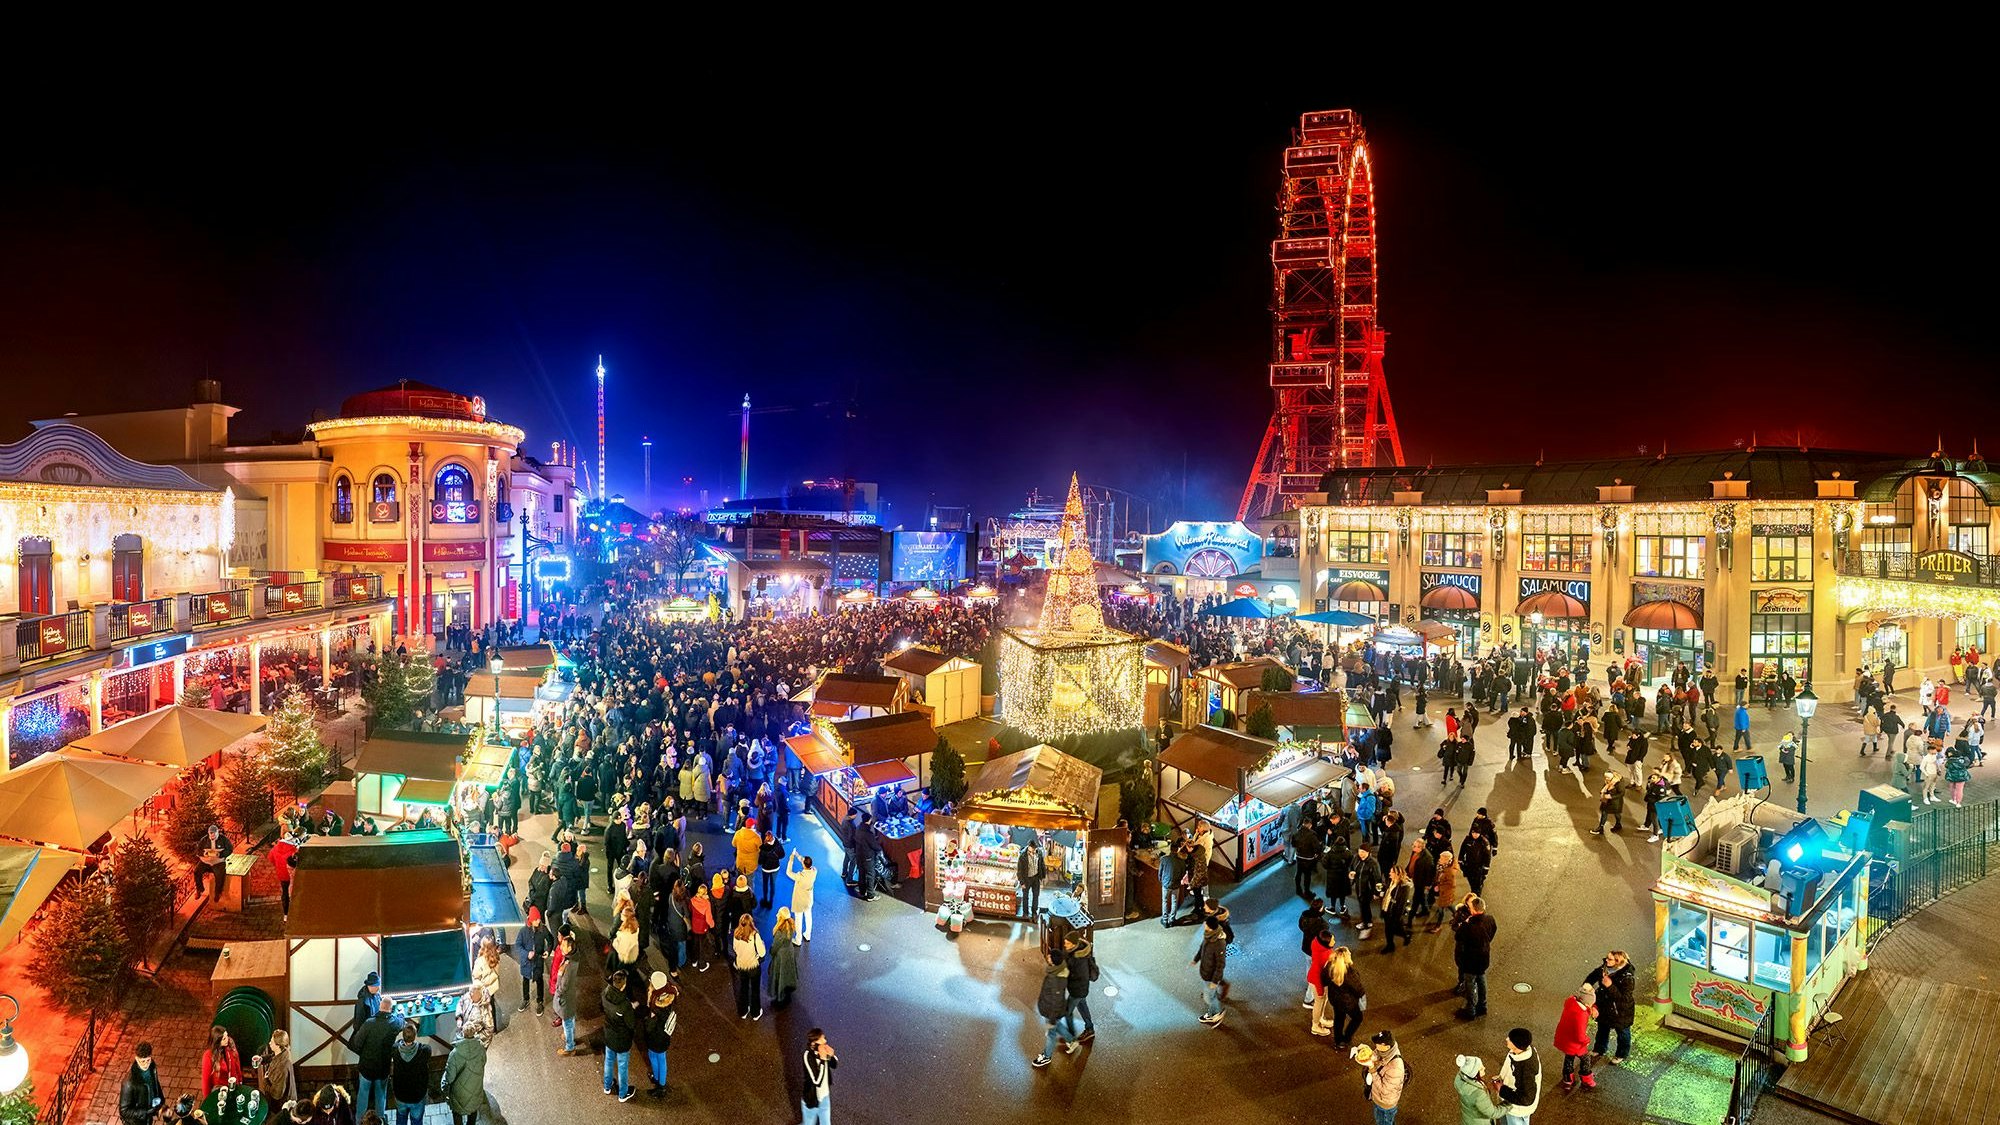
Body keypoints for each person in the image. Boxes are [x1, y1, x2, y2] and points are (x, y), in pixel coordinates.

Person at [1586, 950, 1636, 1063]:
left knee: (1623, 1034)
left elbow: (1625, 999)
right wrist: (1586, 987)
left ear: (1617, 962)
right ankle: (1599, 1049)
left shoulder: (1627, 978)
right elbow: (1592, 976)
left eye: (1609, 959)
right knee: (1602, 1029)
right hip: (1605, 1006)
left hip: (1620, 1012)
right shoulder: (1605, 968)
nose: (1606, 960)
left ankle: (1621, 1054)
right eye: (1607, 958)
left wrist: (1610, 986)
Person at [1031, 950, 1079, 1068]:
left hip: (1051, 1011)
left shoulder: (1055, 979)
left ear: (1054, 960)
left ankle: (1046, 1057)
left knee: (1051, 1033)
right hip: (1051, 1010)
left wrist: (1051, 1019)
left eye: (1050, 956)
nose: (1048, 957)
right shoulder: (1057, 971)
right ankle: (1071, 1041)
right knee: (1057, 1026)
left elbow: (1056, 1001)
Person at [351, 1001, 398, 1116]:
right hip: (382, 1068)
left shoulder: (369, 1023)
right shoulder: (394, 1023)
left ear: (379, 1007)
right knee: (381, 1095)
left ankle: (360, 1121)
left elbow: (356, 1042)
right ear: (390, 1009)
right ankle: (380, 1120)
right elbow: (402, 1021)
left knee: (363, 1095)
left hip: (366, 1066)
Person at [1453, 894, 1496, 1018]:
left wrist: (1465, 924)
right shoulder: (1490, 919)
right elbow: (1492, 932)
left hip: (1470, 959)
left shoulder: (1469, 926)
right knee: (1481, 979)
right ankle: (1482, 1006)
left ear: (1474, 910)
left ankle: (1470, 1010)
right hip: (1484, 956)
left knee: (1470, 983)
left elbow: (1458, 937)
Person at [601, 969, 638, 1101]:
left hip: (609, 1035)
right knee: (622, 1067)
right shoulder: (624, 1005)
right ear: (623, 985)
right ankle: (623, 1093)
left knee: (609, 1061)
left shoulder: (605, 994)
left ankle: (607, 1086)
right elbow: (631, 1024)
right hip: (622, 1040)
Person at [1358, 1028, 1408, 1124]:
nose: (1375, 1047)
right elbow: (1377, 1053)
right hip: (1379, 1098)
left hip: (1384, 1104)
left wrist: (1372, 1069)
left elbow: (1384, 1090)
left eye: (1378, 1044)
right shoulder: (1388, 1050)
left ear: (1386, 1046)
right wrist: (1367, 1050)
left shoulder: (1395, 1068)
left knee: (1383, 1122)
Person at [440, 1027, 488, 1125]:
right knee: (473, 1110)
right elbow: (483, 1062)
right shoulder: (481, 1048)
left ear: (463, 1034)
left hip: (459, 1093)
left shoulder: (454, 1054)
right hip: (475, 1087)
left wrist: (443, 1084)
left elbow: (450, 1077)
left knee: (457, 1113)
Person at [1555, 983, 1598, 1090]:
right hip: (1575, 1043)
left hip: (1564, 1038)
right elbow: (1580, 1036)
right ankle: (1586, 1078)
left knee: (1569, 1058)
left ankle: (1568, 1079)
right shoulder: (1581, 1015)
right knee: (1585, 1059)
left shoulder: (1571, 1002)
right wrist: (1586, 1040)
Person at [1322, 945, 1366, 1047]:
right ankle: (1347, 1037)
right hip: (1349, 1002)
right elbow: (1358, 988)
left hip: (1335, 1000)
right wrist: (1362, 996)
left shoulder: (1329, 967)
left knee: (1339, 1018)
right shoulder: (1350, 973)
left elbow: (1323, 981)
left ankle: (1338, 1041)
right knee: (1357, 1018)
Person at [1497, 1028, 1543, 1124]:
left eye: (1510, 1039)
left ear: (1516, 1045)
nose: (1506, 1039)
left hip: (1517, 1110)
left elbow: (1527, 1099)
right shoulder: (1521, 1051)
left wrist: (1502, 1090)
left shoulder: (1525, 1069)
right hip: (1510, 1103)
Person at [642, 974, 677, 1098]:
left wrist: (647, 1019)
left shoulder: (655, 1007)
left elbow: (649, 1027)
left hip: (655, 1038)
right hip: (665, 1036)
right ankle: (660, 1082)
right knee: (662, 1058)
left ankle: (659, 1084)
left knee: (654, 1056)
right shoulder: (671, 995)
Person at [388, 1025, 431, 1125]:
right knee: (416, 1121)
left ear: (402, 1036)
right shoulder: (423, 1051)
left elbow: (396, 1044)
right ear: (415, 1035)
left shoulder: (395, 1049)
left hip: (400, 1094)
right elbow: (427, 1048)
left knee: (401, 1119)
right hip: (417, 1095)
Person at [1063, 930, 1098, 1044]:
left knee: (1067, 1012)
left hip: (1077, 990)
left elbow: (1079, 976)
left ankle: (1070, 1036)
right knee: (1083, 1007)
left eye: (1067, 943)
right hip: (1080, 990)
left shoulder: (1078, 959)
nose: (1065, 945)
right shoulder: (1076, 953)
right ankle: (1089, 1028)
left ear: (1074, 944)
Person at [731, 913, 768, 1019]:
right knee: (755, 990)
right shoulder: (755, 935)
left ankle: (743, 1011)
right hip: (753, 967)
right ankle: (755, 1012)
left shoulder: (736, 934)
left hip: (742, 966)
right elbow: (762, 953)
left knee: (743, 988)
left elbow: (735, 948)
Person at [513, 907, 550, 1014]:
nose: (539, 921)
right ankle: (526, 999)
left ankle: (540, 1001)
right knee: (525, 980)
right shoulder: (523, 931)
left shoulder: (543, 929)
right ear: (531, 920)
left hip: (538, 962)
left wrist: (548, 950)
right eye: (536, 919)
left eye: (539, 919)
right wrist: (526, 954)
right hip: (526, 963)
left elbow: (550, 940)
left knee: (539, 980)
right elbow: (518, 945)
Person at [119, 1043, 165, 1125]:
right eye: (142, 1061)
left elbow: (155, 1083)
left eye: (148, 1060)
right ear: (136, 1059)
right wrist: (146, 1112)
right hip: (137, 1122)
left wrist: (161, 1101)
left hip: (148, 1116)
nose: (146, 1064)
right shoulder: (129, 1083)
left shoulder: (152, 1067)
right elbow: (124, 1111)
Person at [1195, 914, 1228, 1026]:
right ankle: (1215, 1012)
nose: (1204, 924)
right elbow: (1202, 948)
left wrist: (1215, 981)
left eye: (1206, 924)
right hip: (1206, 972)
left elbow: (1220, 965)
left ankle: (1215, 1014)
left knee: (1209, 998)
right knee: (1209, 995)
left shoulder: (1219, 943)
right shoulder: (1208, 935)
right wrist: (1196, 959)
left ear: (1210, 927)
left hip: (1211, 975)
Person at [799, 1029, 838, 1125]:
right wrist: (823, 1060)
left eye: (824, 1038)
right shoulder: (807, 1056)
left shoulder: (823, 1050)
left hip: (825, 1097)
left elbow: (834, 1065)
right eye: (822, 1040)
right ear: (813, 1043)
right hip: (812, 1100)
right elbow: (817, 1082)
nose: (825, 1041)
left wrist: (832, 1056)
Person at [1456, 1054, 1508, 1125]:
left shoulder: (1462, 1078)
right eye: (1481, 1069)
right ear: (1474, 1074)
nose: (1484, 1067)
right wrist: (1509, 1103)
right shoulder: (1478, 1094)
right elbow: (1494, 1113)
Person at [553, 932, 582, 1055]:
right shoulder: (572, 957)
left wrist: (557, 993)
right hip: (570, 997)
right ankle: (570, 1037)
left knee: (567, 1022)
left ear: (570, 948)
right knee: (570, 1020)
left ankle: (570, 1047)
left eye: (564, 945)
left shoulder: (569, 966)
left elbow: (563, 986)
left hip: (566, 998)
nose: (561, 947)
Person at [257, 1029, 299, 1111]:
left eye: (271, 1042)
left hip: (283, 1105)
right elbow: (273, 1057)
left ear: (278, 1046)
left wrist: (265, 1081)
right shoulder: (283, 1052)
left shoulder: (282, 1067)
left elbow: (277, 1094)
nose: (269, 1043)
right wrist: (261, 1059)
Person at [201, 1025, 244, 1100]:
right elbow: (205, 1081)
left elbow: (237, 1063)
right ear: (217, 1041)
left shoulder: (230, 1045)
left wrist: (240, 1080)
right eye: (224, 1039)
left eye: (227, 1036)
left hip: (233, 1085)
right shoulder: (208, 1056)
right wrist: (207, 1099)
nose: (227, 1039)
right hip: (221, 1091)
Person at [769, 908, 802, 1006]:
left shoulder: (779, 931)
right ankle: (788, 989)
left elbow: (775, 946)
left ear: (781, 917)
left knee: (780, 975)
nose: (776, 915)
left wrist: (772, 952)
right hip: (789, 952)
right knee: (788, 972)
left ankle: (780, 996)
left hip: (781, 955)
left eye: (778, 914)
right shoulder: (791, 925)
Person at [786, 849, 817, 942]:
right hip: (808, 899)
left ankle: (798, 939)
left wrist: (791, 859)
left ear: (803, 864)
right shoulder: (814, 871)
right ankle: (808, 934)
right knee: (808, 917)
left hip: (799, 900)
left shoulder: (800, 876)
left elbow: (788, 872)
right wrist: (798, 855)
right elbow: (805, 862)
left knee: (798, 919)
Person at [1017, 833, 1047, 918]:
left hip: (1036, 877)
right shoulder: (1022, 856)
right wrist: (1022, 882)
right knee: (1025, 896)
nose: (1032, 853)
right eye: (1030, 851)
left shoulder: (1039, 853)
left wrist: (1042, 876)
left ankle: (1034, 912)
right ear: (1028, 848)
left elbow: (1042, 864)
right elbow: (1020, 870)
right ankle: (1025, 913)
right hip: (1026, 878)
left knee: (1036, 896)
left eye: (1033, 851)